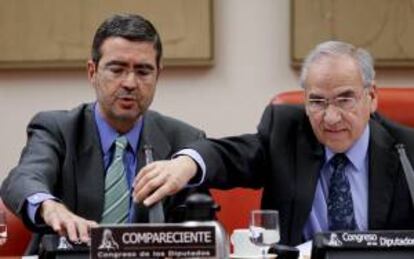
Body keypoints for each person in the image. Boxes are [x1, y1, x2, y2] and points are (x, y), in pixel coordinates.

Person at [133, 40, 414, 246]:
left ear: (372, 97)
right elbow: (234, 155)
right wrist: (186, 164)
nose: (330, 117)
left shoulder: (406, 150)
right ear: (305, 101)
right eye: (317, 101)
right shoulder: (286, 131)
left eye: (344, 99)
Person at [0, 13, 208, 247]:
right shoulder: (57, 129)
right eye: (117, 69)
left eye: (143, 71)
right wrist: (50, 207)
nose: (130, 83)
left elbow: (200, 232)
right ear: (92, 72)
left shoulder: (183, 141)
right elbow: (23, 178)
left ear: (158, 74)